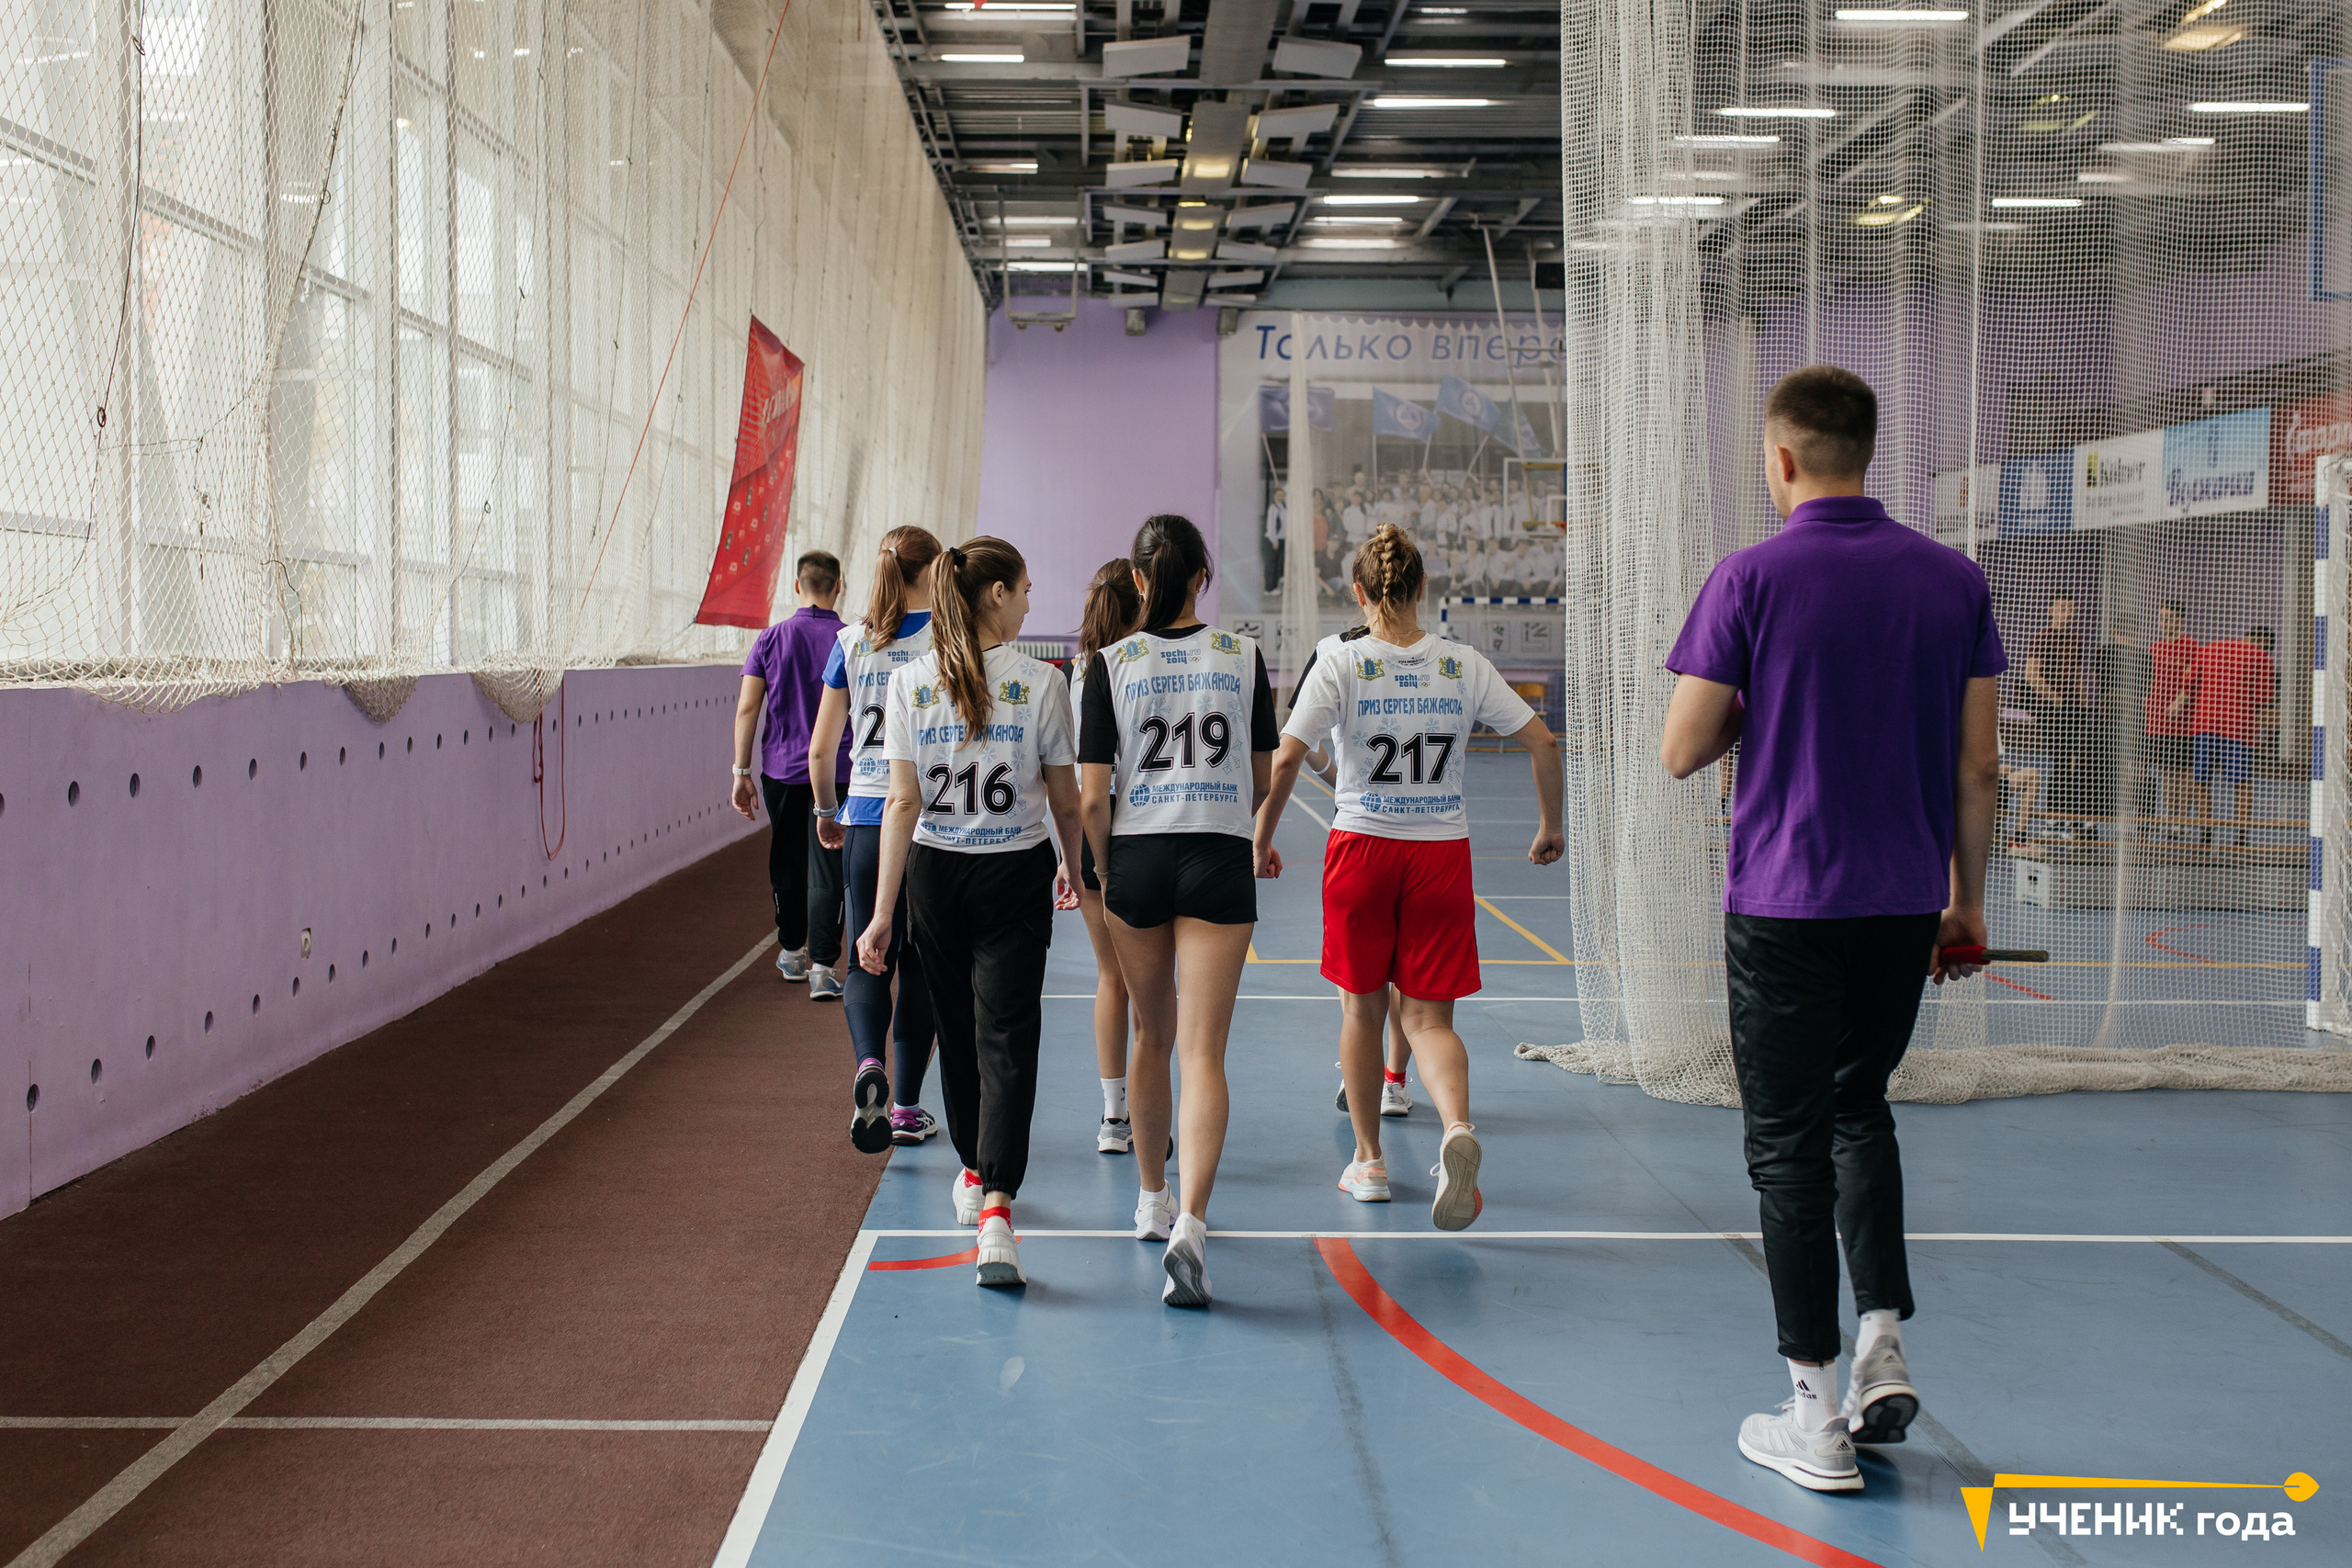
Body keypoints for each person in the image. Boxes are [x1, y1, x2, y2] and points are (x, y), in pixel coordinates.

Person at [1658, 365, 2004, 1495]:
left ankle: (1813, 1415)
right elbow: (1980, 767)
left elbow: (1680, 747)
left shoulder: (1750, 578)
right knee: (1863, 1109)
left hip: (1785, 904)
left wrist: (1773, 691)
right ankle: (1880, 1337)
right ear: (1867, 453)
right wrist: (1967, 903)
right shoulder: (1952, 581)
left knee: (1785, 1147)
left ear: (1783, 459)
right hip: (1906, 901)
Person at [1258, 525, 1565, 1228]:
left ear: (1360, 593)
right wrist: (1549, 825)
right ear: (1424, 589)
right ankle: (1456, 1127)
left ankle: (1368, 1161)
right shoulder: (1462, 664)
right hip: (1439, 855)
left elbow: (1284, 760)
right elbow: (1542, 741)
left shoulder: (1340, 661)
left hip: (1362, 846)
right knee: (1427, 1019)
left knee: (1362, 1010)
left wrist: (1262, 839)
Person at [858, 537, 1084, 1290]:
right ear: (993, 595)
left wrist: (883, 910)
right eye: (1023, 589)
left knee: (955, 1030)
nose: (1028, 602)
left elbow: (901, 801)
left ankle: (970, 1166)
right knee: (1008, 1036)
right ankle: (996, 1207)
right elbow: (1064, 797)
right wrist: (1072, 862)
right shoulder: (1041, 684)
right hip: (1012, 872)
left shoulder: (913, 683)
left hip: (935, 874)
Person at [1079, 514, 1279, 1307]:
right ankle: (1194, 1221)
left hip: (1138, 854)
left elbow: (1095, 796)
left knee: (1150, 1032)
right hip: (1217, 854)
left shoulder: (1110, 663)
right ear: (1203, 575)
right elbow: (1262, 778)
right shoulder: (1242, 655)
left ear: (1136, 579)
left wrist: (1103, 866)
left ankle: (1151, 1199)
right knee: (1204, 1051)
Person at [809, 527, 944, 1154]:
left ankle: (869, 1063)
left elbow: (819, 748)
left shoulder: (851, 641)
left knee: (865, 950)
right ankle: (908, 1105)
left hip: (864, 813)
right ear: (934, 569)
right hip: (931, 818)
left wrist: (826, 810)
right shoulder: (948, 638)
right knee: (919, 963)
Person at [1292, 623, 1418, 1118]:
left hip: (1363, 839)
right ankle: (1393, 1081)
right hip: (1430, 840)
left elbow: (1295, 744)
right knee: (1409, 977)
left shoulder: (1334, 652)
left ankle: (1370, 1135)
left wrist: (1333, 780)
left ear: (1360, 592)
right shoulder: (1440, 656)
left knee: (1358, 982)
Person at [729, 551, 851, 990]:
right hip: (838, 770)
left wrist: (741, 770)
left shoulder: (770, 639)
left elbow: (747, 708)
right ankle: (824, 967)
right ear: (839, 586)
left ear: (797, 586)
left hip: (781, 770)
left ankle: (792, 951)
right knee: (828, 864)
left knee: (787, 859)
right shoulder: (853, 640)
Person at [1070, 559, 1144, 1154]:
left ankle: (1113, 1116)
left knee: (1109, 977)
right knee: (1148, 981)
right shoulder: (1135, 668)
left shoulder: (1077, 672)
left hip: (1089, 824)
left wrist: (1077, 862)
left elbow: (1070, 782)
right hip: (1138, 820)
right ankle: (1147, 1113)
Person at [2175, 624, 2278, 848]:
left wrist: (2177, 706)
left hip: (2204, 724)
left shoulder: (2210, 648)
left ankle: (2206, 832)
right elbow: (2263, 700)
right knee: (2241, 782)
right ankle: (2241, 837)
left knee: (2201, 780)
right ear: (2264, 644)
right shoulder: (2262, 657)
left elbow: (2187, 682)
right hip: (2238, 727)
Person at [2021, 592, 2089, 829]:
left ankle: (2069, 811)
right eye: (2061, 608)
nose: (2066, 613)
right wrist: (2055, 698)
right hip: (2052, 708)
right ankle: (2053, 812)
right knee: (2061, 758)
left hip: (2074, 708)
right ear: (2051, 610)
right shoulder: (2042, 638)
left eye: (2070, 609)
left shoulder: (2076, 640)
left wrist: (2083, 702)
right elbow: (2031, 674)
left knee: (2075, 760)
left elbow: (2077, 674)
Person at [2144, 600, 2199, 837]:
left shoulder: (2193, 647)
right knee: (2166, 770)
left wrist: (2180, 702)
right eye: (2161, 617)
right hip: (2157, 720)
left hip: (2185, 721)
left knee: (2184, 771)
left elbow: (2195, 681)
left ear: (2180, 621)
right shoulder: (2153, 648)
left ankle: (2182, 819)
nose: (2164, 622)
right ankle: (2170, 817)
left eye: (2169, 618)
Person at [2090, 611, 2151, 824]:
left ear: (2115, 631)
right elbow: (2146, 690)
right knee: (2135, 764)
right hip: (2129, 713)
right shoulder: (2143, 655)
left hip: (2115, 713)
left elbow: (2098, 682)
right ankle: (2141, 818)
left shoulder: (2105, 652)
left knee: (2112, 762)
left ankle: (2111, 813)